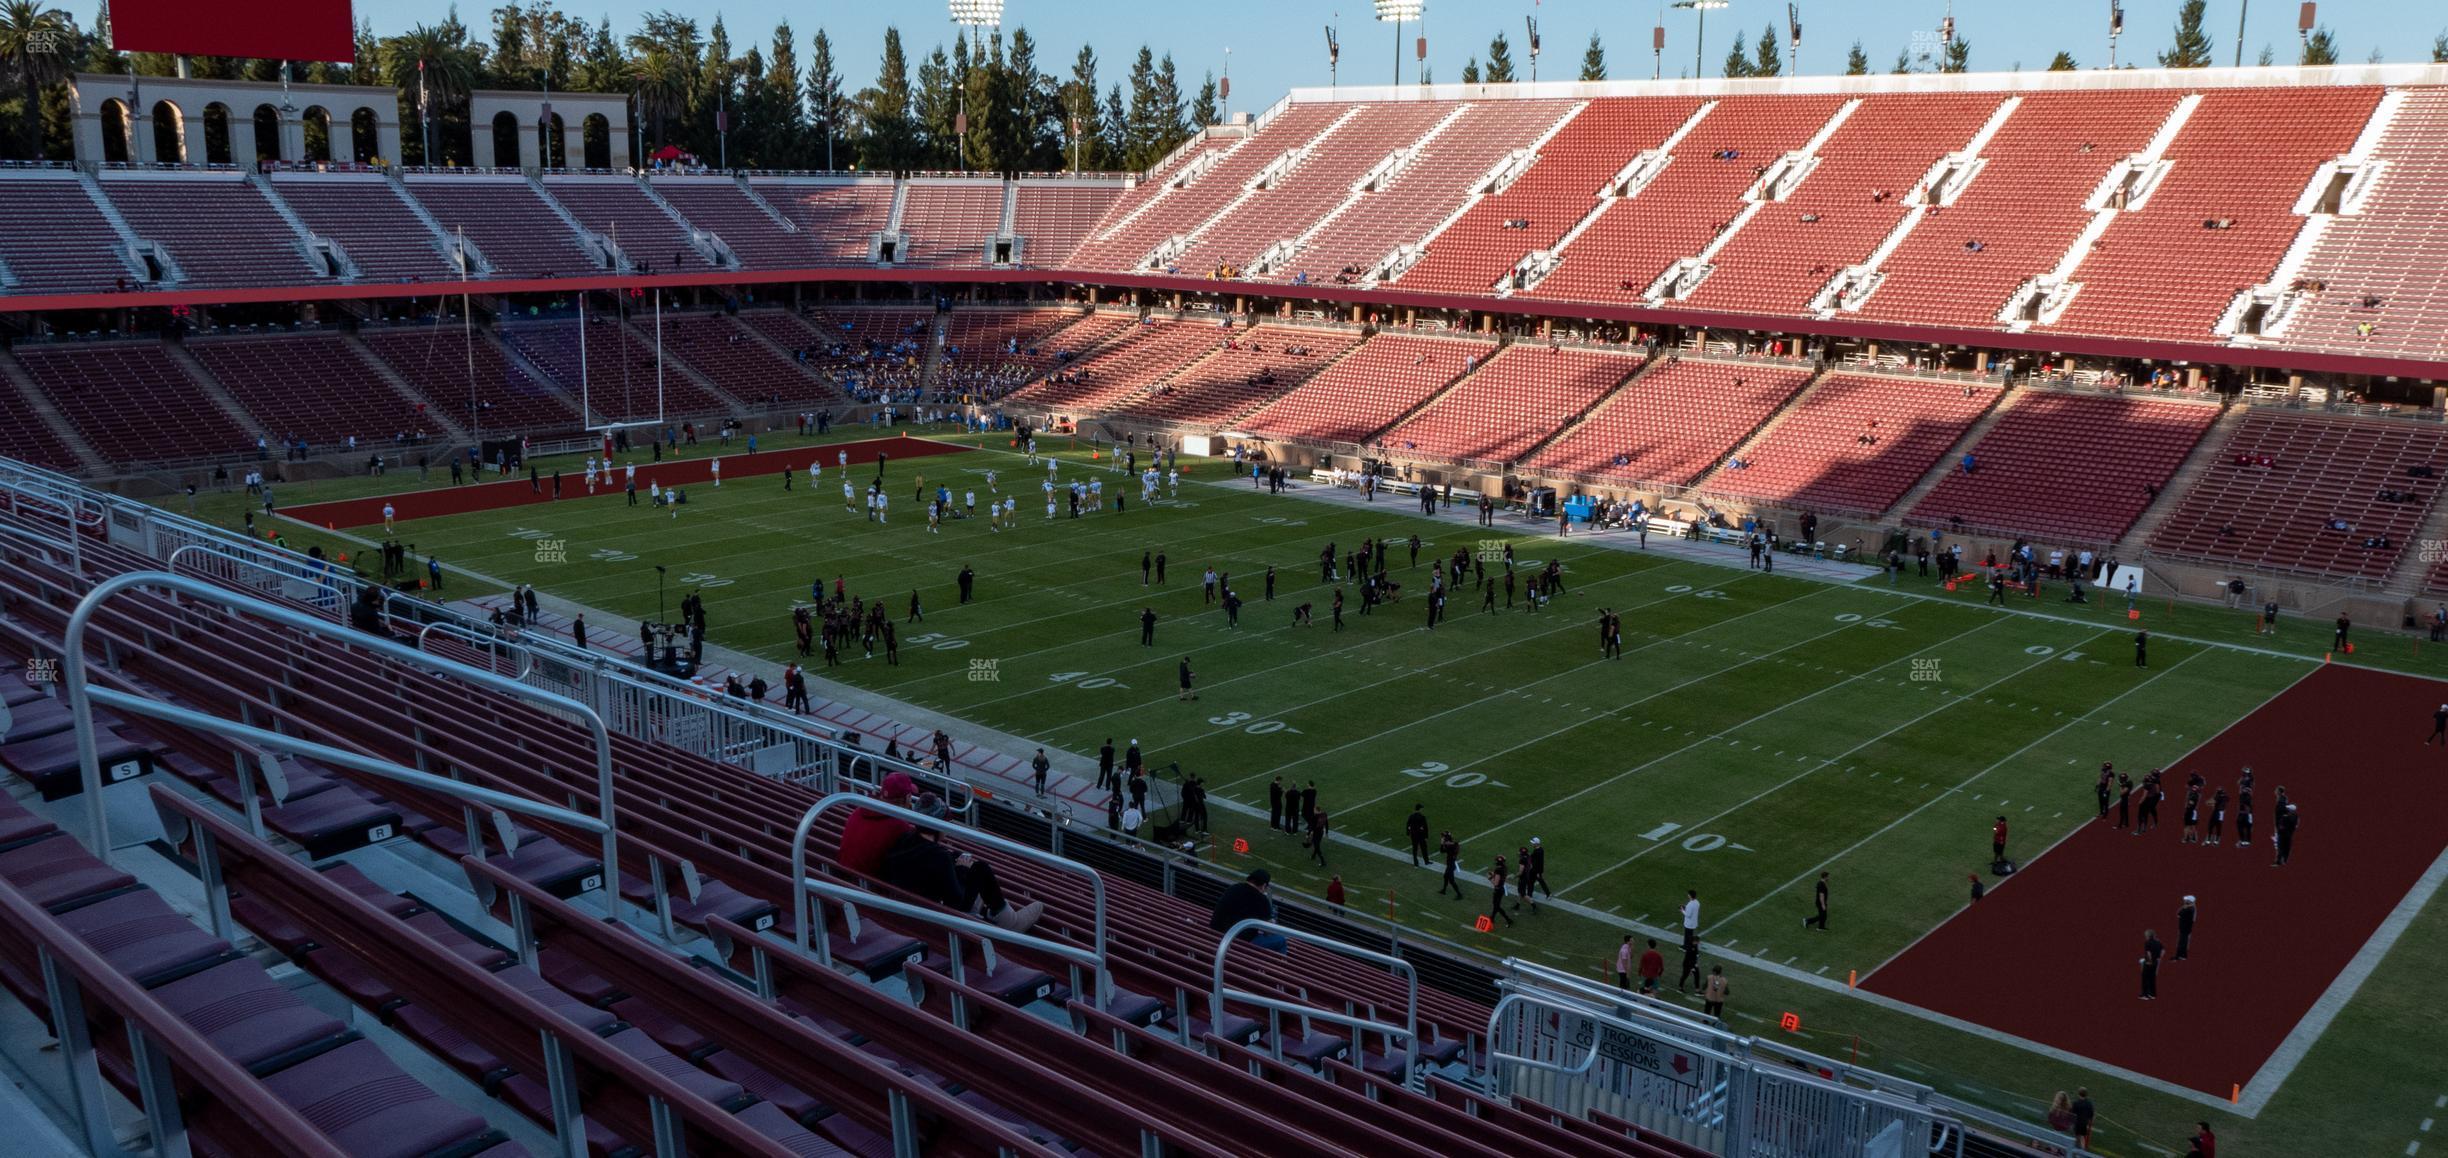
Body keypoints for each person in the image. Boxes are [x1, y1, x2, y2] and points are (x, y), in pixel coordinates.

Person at [881, 799, 1045, 933]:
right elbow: (955, 902)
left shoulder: (903, 842)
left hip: (910, 908)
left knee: (970, 866)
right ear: (937, 825)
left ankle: (992, 909)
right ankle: (1010, 922)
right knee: (981, 869)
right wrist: (962, 871)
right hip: (937, 919)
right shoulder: (940, 857)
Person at [1211, 869, 1286, 951]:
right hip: (1239, 942)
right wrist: (1272, 923)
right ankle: (1280, 964)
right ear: (1264, 885)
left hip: (1216, 935)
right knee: (1281, 941)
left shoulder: (1233, 888)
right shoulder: (1262, 900)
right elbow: (1268, 932)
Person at [1485, 857, 1516, 927]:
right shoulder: (1504, 867)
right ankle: (1492, 918)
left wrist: (1489, 878)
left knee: (1497, 906)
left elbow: (1496, 883)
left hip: (1498, 889)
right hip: (1501, 888)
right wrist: (1493, 874)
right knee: (1496, 905)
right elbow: (1500, 876)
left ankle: (1508, 919)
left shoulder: (1498, 870)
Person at [1438, 832, 1464, 898]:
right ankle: (1444, 890)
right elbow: (1443, 850)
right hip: (1450, 864)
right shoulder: (1452, 845)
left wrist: (1442, 843)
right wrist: (1444, 843)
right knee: (1445, 876)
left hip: (1451, 865)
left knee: (1451, 881)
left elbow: (1442, 850)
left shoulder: (1451, 846)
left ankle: (1459, 894)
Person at [2139, 928, 2164, 999]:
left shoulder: (2147, 942)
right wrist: (2159, 957)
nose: (2145, 935)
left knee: (2145, 978)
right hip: (2156, 962)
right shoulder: (2158, 942)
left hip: (2148, 962)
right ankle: (2152, 994)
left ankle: (2145, 995)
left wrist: (2150, 960)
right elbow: (2163, 950)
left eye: (2145, 934)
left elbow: (2148, 952)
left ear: (2148, 935)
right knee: (2152, 978)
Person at [2175, 895, 2197, 960]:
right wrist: (2184, 907)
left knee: (2183, 942)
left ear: (2190, 901)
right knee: (2182, 942)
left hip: (2185, 929)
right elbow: (2178, 914)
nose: (2184, 901)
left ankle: (2182, 956)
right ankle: (2180, 955)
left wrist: (2184, 907)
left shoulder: (2190, 909)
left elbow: (2179, 914)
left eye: (2186, 900)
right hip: (2184, 928)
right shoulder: (2189, 907)